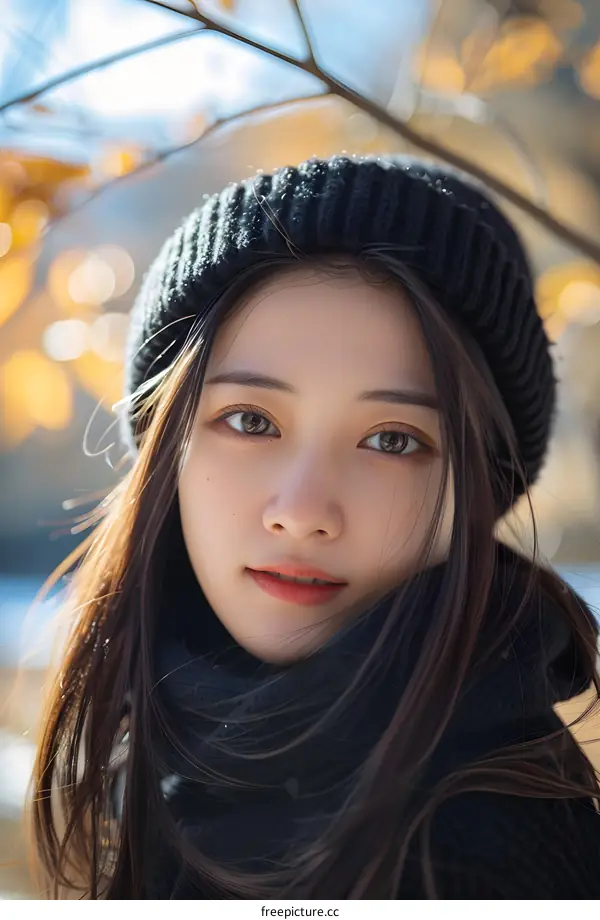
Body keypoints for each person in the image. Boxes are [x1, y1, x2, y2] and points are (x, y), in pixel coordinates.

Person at [31, 155, 600, 899]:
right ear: (169, 451)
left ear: (478, 488)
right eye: (250, 420)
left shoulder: (474, 849)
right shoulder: (178, 761)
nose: (301, 511)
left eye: (393, 439)